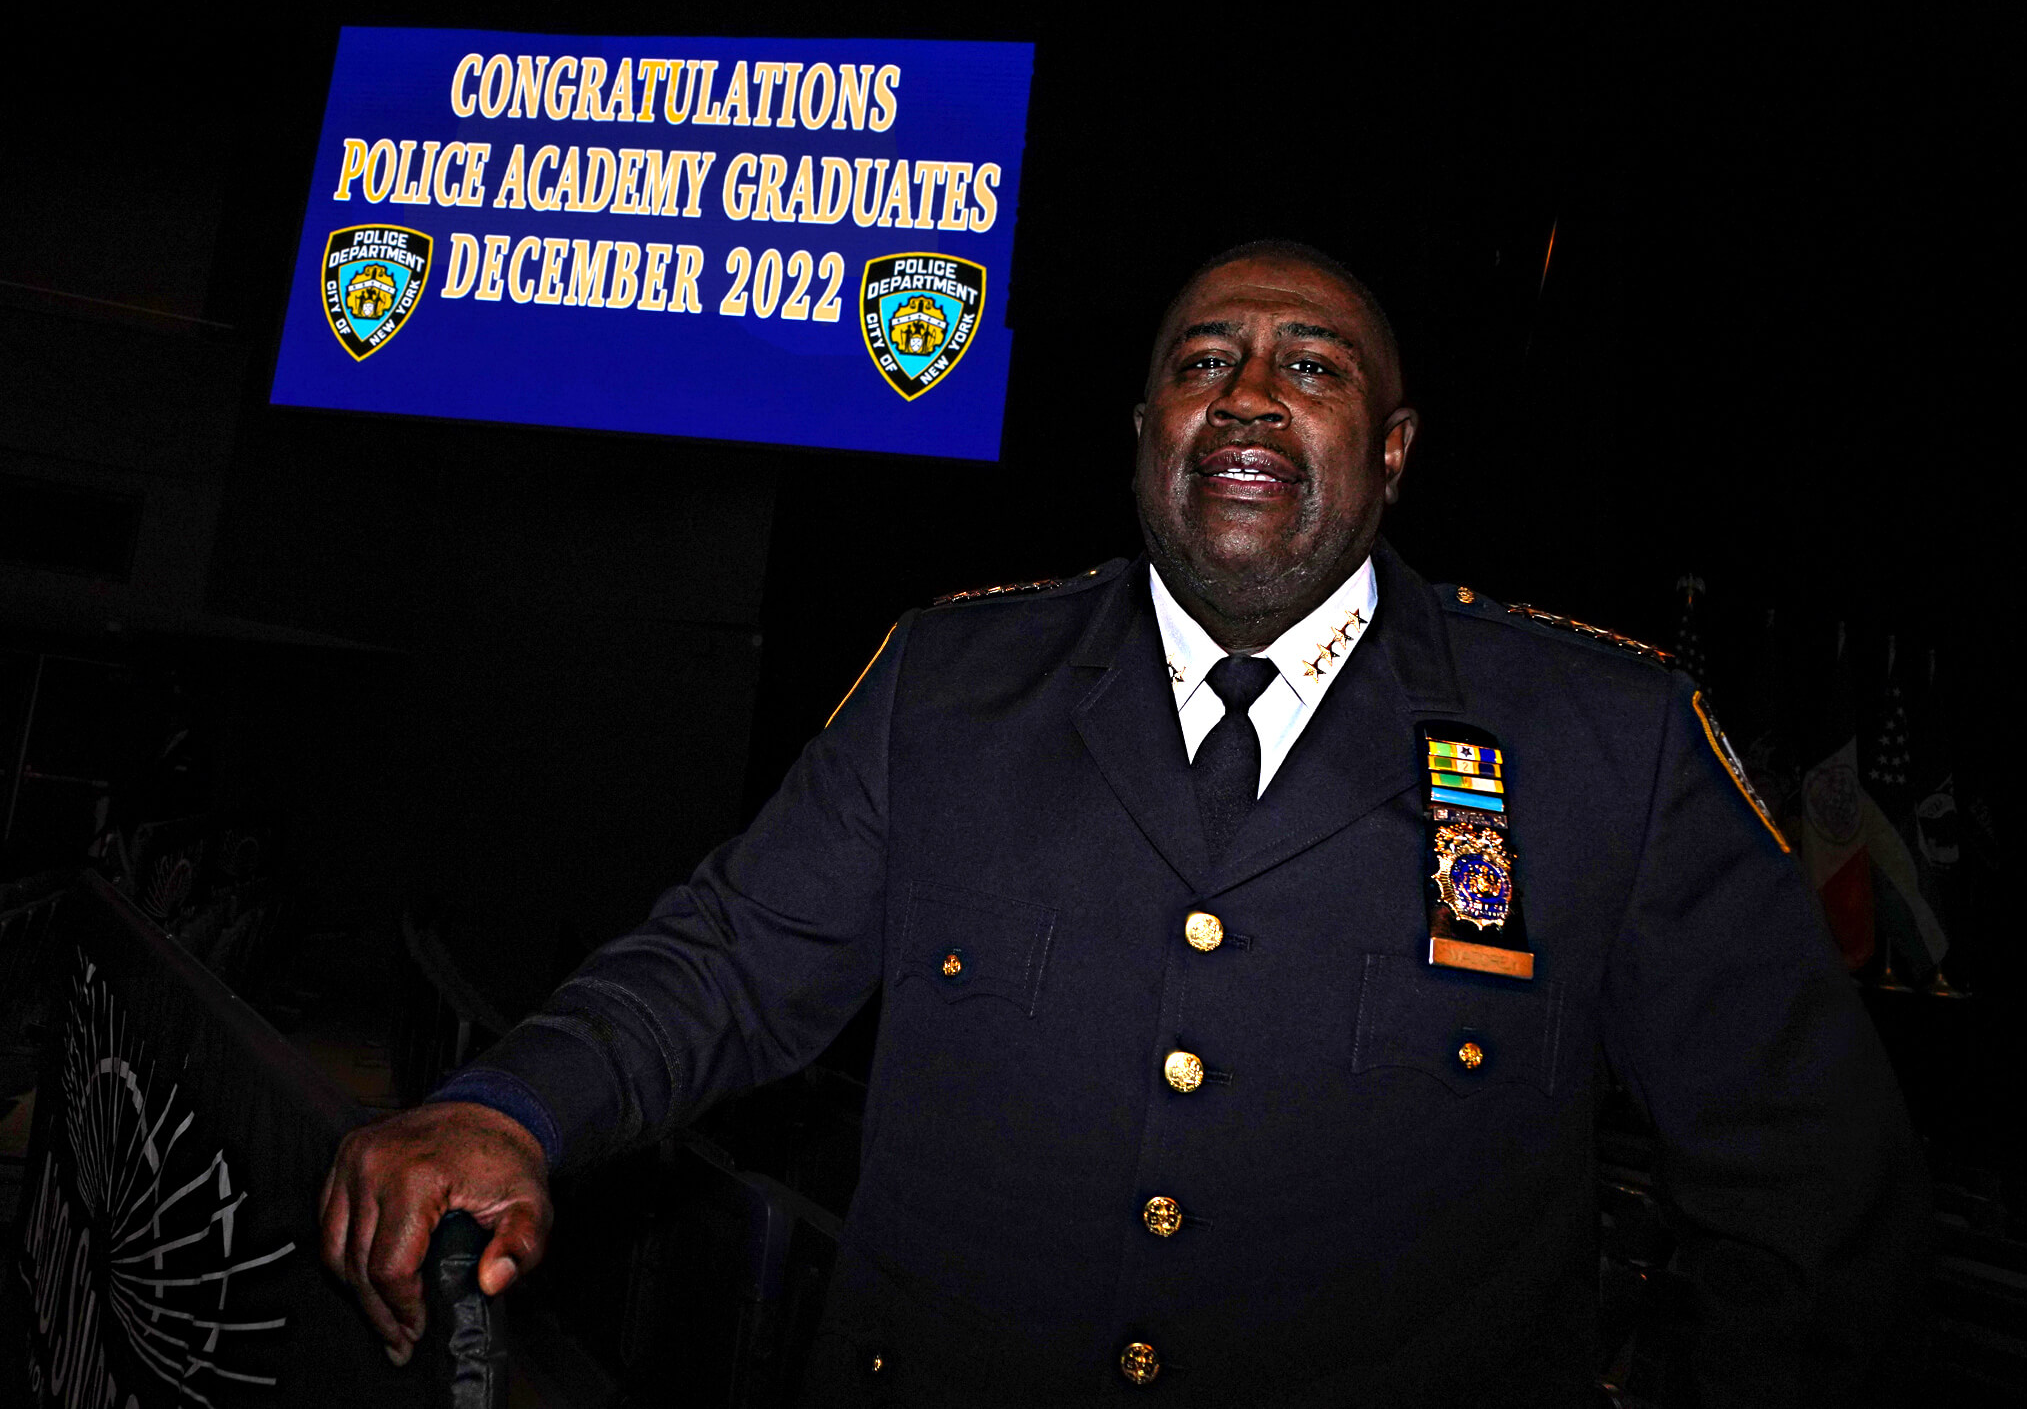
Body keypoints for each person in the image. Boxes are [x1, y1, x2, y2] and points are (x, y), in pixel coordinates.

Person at [322, 242, 1925, 1406]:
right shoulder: (949, 684)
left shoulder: (1602, 740)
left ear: (1392, 451)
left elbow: (1809, 1197)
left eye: (1313, 366)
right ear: (1145, 430)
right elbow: (732, 964)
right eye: (1201, 360)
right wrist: (515, 1109)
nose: (1246, 394)